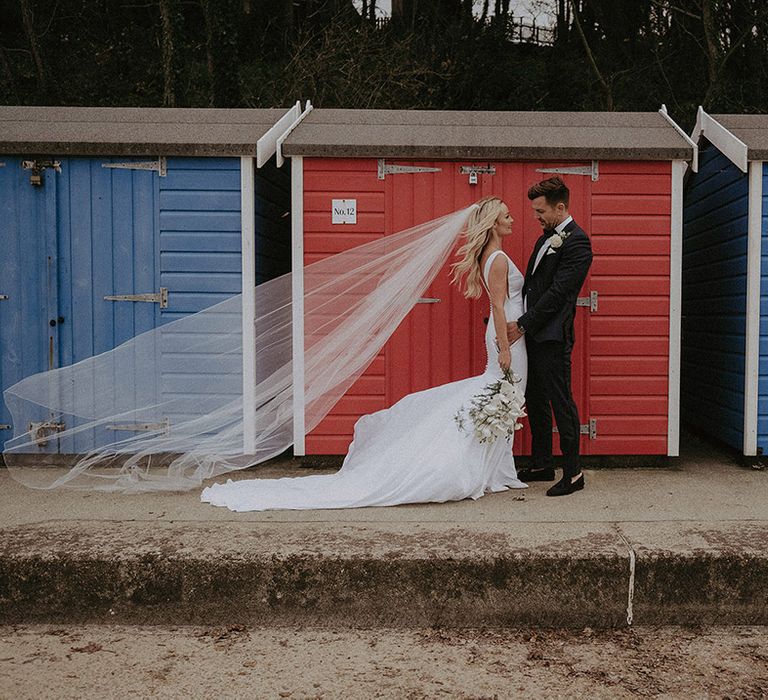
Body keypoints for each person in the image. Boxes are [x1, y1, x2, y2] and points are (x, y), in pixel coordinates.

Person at [200, 197, 528, 511]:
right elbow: (497, 306)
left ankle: (499, 471)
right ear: (493, 223)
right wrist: (503, 348)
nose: (512, 220)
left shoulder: (491, 255)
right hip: (506, 337)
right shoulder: (497, 259)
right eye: (506, 216)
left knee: (502, 399)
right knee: (502, 396)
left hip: (506, 334)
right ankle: (493, 472)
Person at [506, 177, 593, 497]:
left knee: (560, 401)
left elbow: (558, 294)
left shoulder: (578, 243)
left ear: (560, 207)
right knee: (536, 399)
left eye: (541, 210)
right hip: (534, 334)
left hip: (553, 336)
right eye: (534, 210)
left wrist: (523, 323)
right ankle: (543, 462)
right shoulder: (546, 238)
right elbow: (533, 287)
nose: (536, 216)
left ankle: (573, 473)